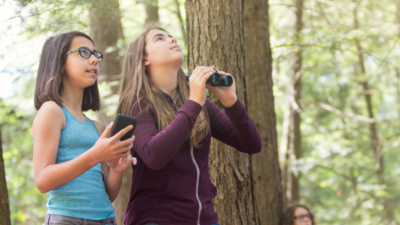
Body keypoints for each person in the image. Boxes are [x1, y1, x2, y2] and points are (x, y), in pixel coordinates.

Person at [116, 27, 262, 225]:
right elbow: (154, 156)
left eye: (170, 35)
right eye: (159, 38)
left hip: (206, 220)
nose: (171, 39)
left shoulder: (198, 102)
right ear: (144, 60)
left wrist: (231, 102)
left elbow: (251, 144)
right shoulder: (136, 103)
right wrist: (193, 104)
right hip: (155, 218)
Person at [32, 31, 136, 225]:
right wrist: (95, 155)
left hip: (106, 219)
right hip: (66, 219)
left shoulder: (97, 127)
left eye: (95, 54)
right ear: (59, 61)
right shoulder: (51, 111)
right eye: (83, 53)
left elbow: (107, 195)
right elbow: (42, 180)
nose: (94, 60)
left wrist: (117, 169)